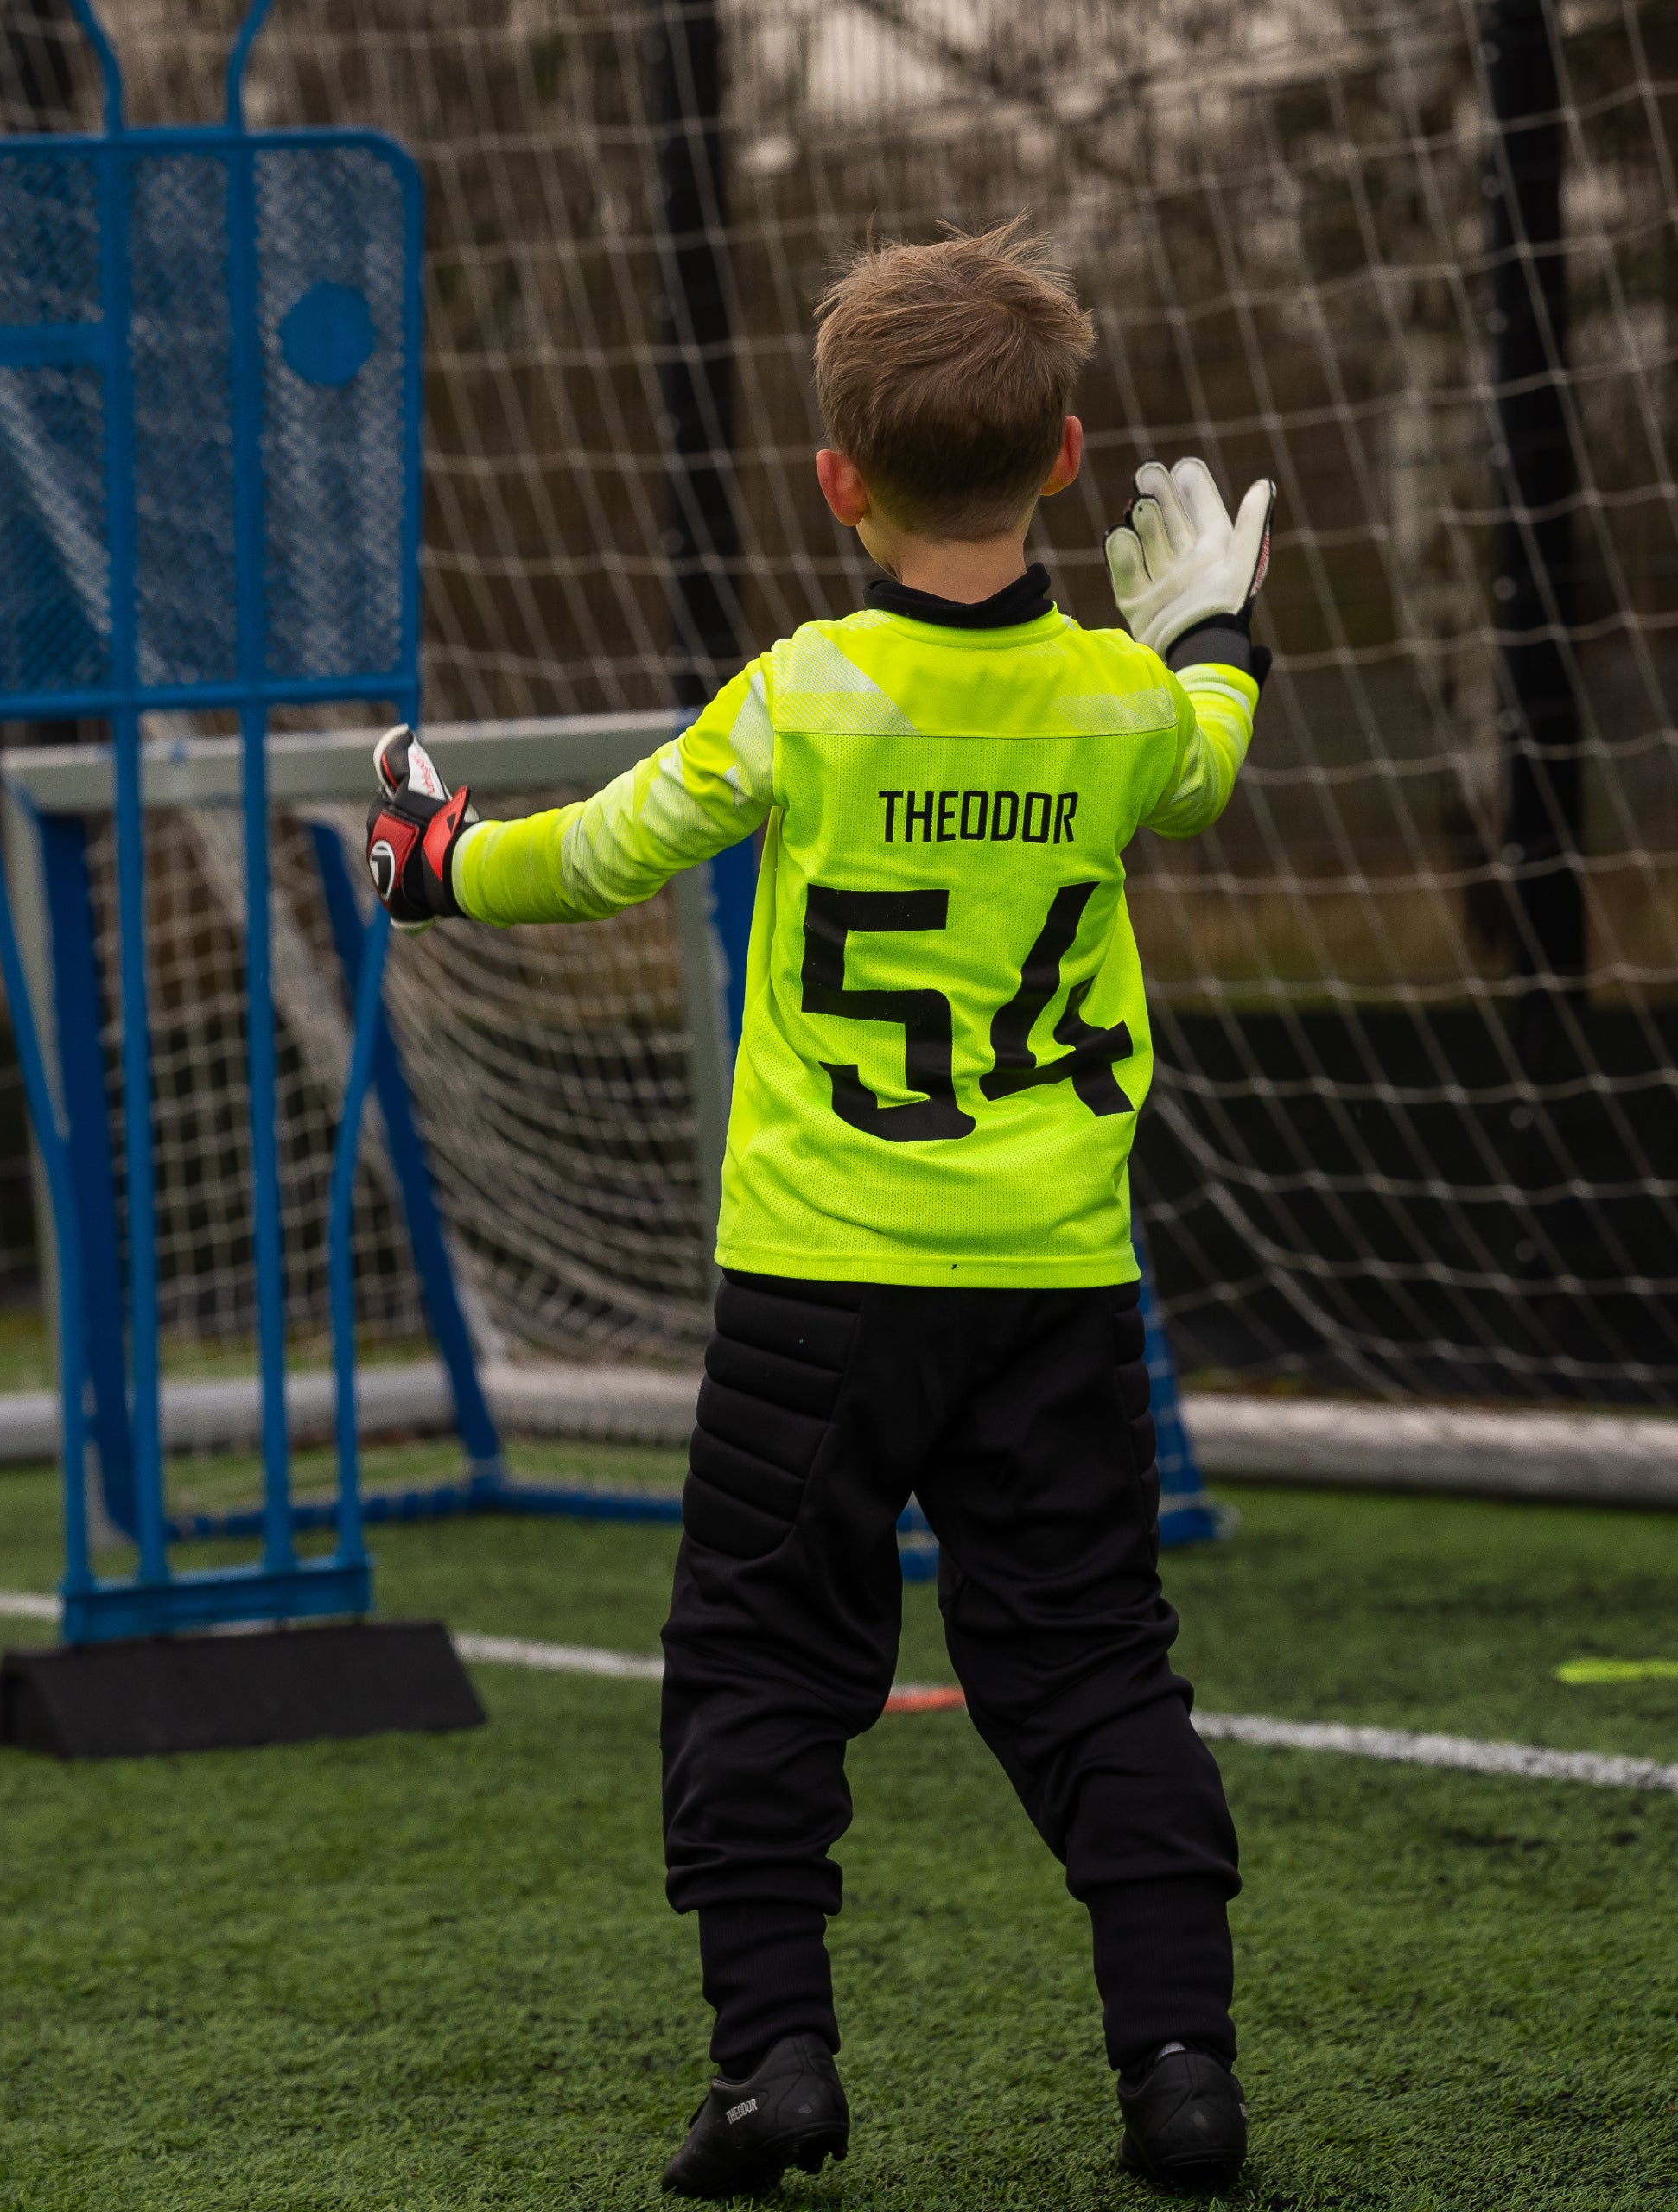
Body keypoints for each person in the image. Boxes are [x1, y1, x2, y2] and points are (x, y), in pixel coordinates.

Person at [365, 221, 1266, 2197]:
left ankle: (775, 2061)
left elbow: (597, 852)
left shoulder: (802, 693)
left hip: (814, 1289)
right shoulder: (1121, 708)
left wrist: (430, 861)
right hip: (1052, 1284)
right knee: (1103, 1666)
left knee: (764, 1662)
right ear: (1065, 457)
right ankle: (1181, 2067)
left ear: (836, 478)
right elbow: (1209, 756)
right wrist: (1218, 630)